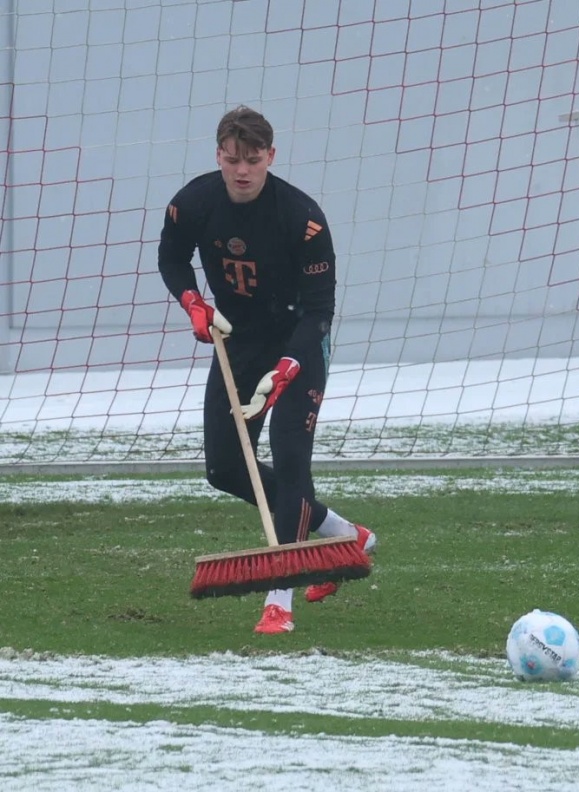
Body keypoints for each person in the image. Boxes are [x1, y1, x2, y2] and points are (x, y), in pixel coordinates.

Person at [157, 105, 376, 635]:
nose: (242, 170)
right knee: (225, 469)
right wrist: (193, 302)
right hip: (238, 341)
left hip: (296, 346)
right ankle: (349, 537)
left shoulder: (302, 218)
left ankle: (280, 601)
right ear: (218, 155)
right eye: (232, 159)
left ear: (270, 158)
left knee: (291, 460)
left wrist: (288, 367)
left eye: (253, 160)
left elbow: (321, 309)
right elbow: (171, 257)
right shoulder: (194, 202)